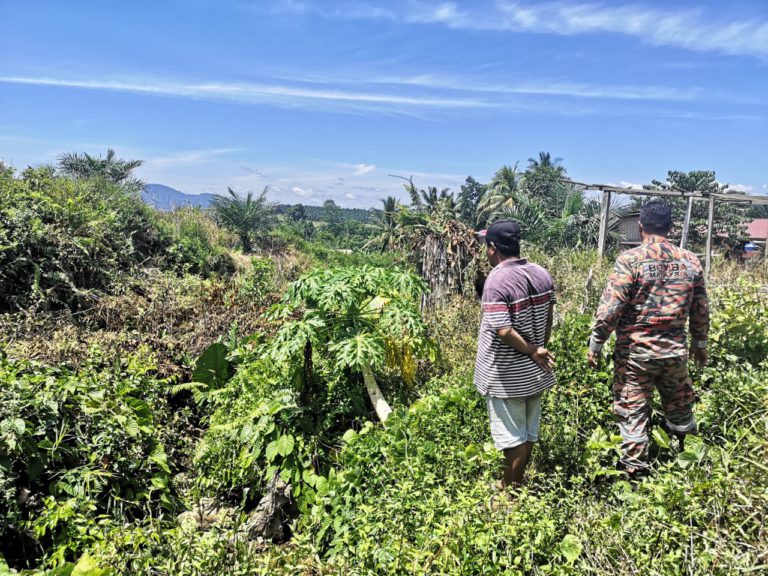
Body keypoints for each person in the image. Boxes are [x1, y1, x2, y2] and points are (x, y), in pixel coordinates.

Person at [587, 199, 709, 478]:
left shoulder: (630, 260)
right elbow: (700, 307)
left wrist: (596, 343)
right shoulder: (690, 261)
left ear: (641, 225)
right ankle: (687, 468)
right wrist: (699, 344)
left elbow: (611, 307)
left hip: (636, 355)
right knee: (680, 408)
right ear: (671, 226)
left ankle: (635, 478)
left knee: (633, 412)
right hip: (675, 353)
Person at [474, 220, 556, 491]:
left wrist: (532, 350)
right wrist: (538, 349)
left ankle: (510, 493)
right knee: (527, 433)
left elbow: (503, 329)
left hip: (507, 375)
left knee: (512, 438)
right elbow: (549, 317)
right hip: (535, 371)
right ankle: (514, 481)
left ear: (493, 248)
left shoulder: (496, 280)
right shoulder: (541, 273)